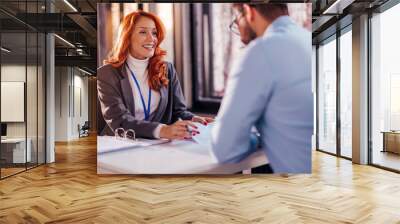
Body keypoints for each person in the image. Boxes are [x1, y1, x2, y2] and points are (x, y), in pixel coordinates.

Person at [211, 3, 313, 173]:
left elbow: (225, 149)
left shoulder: (260, 51)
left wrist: (255, 139)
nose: (239, 32)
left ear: (249, 12)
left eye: (237, 20)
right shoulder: (308, 39)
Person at [97, 11, 213, 140]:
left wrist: (192, 119)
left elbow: (178, 111)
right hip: (119, 143)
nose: (151, 39)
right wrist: (161, 130)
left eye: (154, 33)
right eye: (143, 32)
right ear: (127, 37)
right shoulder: (107, 74)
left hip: (156, 145)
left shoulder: (167, 69)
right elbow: (119, 120)